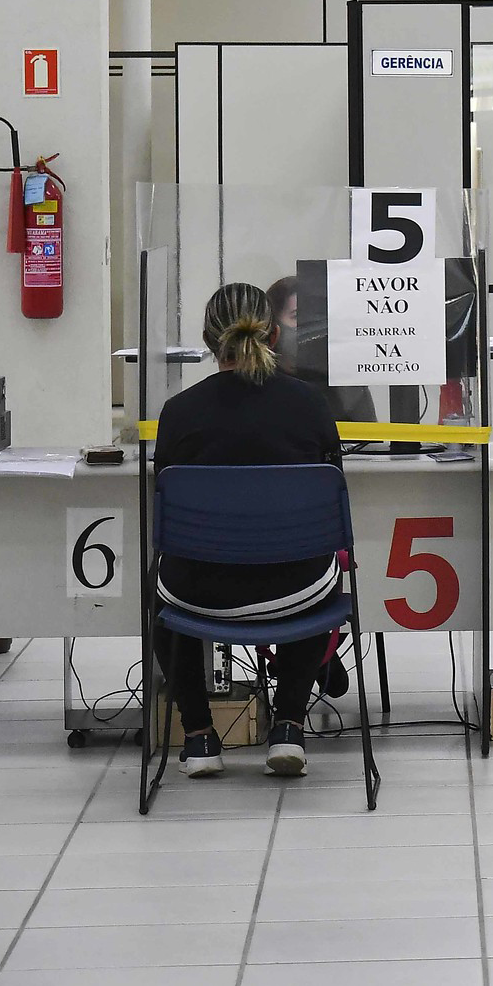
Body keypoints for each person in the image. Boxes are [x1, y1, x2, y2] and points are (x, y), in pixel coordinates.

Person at [154, 283, 345, 778]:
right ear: (275, 335)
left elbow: (164, 500)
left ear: (207, 341)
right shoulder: (310, 404)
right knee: (316, 568)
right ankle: (289, 728)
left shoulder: (178, 413)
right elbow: (333, 492)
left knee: (159, 596)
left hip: (197, 591)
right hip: (296, 587)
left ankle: (199, 737)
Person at [265, 275, 378, 424]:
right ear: (274, 326)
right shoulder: (261, 383)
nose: (308, 324)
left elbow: (367, 434)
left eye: (314, 316)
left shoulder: (344, 386)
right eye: (297, 316)